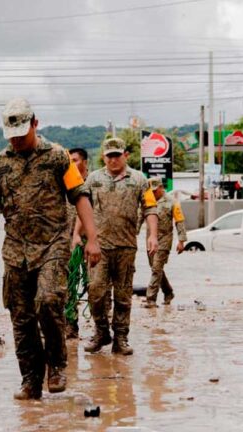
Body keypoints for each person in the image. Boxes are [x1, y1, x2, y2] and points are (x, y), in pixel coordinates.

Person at [0, 98, 101, 400]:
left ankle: (56, 364)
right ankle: (30, 379)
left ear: (35, 124)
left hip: (53, 244)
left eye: (22, 133)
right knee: (21, 316)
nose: (16, 139)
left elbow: (80, 196)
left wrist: (92, 239)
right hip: (15, 250)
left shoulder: (58, 158)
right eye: (11, 135)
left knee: (48, 300)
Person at [74, 137, 159, 355]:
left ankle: (121, 338)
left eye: (117, 155)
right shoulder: (93, 179)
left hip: (126, 247)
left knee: (123, 295)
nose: (113, 160)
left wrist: (153, 236)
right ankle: (101, 331)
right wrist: (76, 234)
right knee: (96, 291)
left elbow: (150, 208)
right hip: (98, 247)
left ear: (125, 156)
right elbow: (84, 208)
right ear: (103, 156)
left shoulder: (139, 179)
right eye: (109, 156)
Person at [142, 177, 186, 308]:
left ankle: (150, 299)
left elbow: (179, 221)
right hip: (150, 239)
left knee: (156, 268)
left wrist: (181, 241)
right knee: (156, 268)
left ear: (161, 188)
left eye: (155, 191)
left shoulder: (172, 202)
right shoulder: (148, 201)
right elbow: (139, 217)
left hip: (164, 240)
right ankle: (168, 292)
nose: (153, 194)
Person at [65, 147, 89, 340]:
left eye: (75, 160)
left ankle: (101, 328)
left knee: (96, 287)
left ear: (85, 162)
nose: (72, 164)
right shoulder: (63, 184)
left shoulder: (94, 183)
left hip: (92, 243)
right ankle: (71, 326)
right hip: (68, 245)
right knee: (68, 286)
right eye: (69, 161)